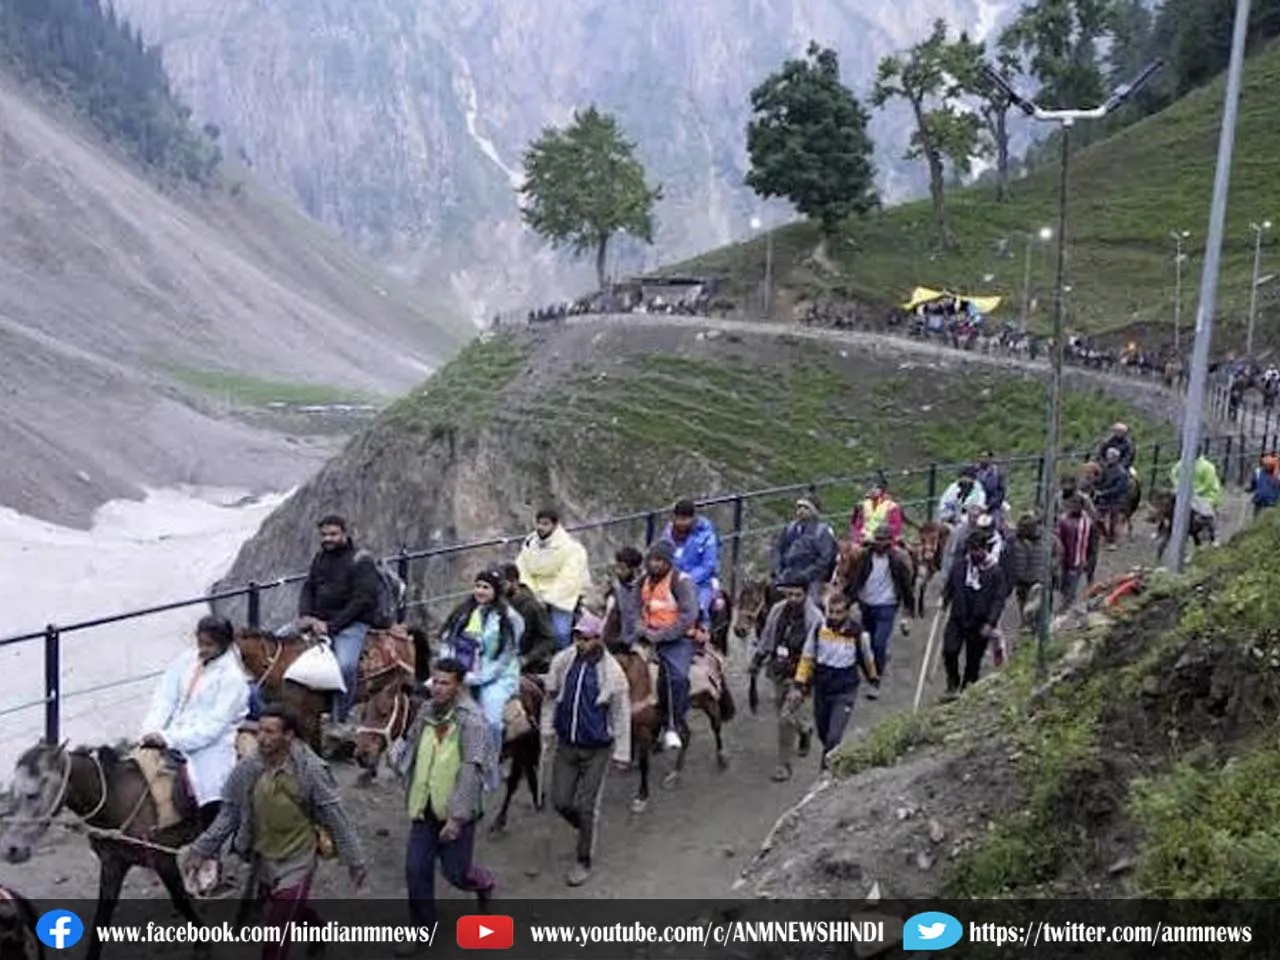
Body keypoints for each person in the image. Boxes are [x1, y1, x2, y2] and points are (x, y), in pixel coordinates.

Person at [184, 705, 366, 960]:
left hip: (298, 859)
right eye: (260, 731)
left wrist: (355, 860)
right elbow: (229, 815)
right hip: (264, 858)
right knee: (290, 909)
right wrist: (201, 849)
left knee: (275, 937)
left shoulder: (310, 770)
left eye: (270, 732)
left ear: (289, 736)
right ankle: (318, 931)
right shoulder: (248, 769)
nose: (262, 738)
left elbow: (334, 815)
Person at [394, 658, 495, 949]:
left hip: (456, 812)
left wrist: (457, 818)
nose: (437, 688)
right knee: (416, 869)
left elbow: (471, 770)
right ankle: (422, 930)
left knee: (456, 874)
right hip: (424, 806)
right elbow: (411, 746)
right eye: (435, 682)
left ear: (459, 687)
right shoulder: (426, 711)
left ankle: (483, 882)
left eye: (444, 683)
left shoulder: (472, 722)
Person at [540, 612, 631, 887]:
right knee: (560, 801)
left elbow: (620, 713)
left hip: (597, 749)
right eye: (577, 637)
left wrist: (622, 753)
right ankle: (585, 830)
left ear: (598, 639)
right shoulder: (563, 662)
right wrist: (547, 729)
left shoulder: (612, 673)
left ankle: (583, 859)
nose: (580, 643)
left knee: (588, 805)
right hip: (567, 744)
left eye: (586, 639)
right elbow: (551, 697)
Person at [141, 616, 249, 833]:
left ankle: (212, 845)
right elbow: (165, 697)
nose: (202, 649)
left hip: (211, 742)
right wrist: (152, 729)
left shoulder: (232, 679)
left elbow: (214, 726)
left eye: (209, 645)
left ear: (224, 644)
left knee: (210, 785)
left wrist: (171, 740)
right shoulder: (186, 661)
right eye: (200, 643)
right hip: (173, 730)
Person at [438, 569, 524, 791]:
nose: (480, 591)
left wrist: (479, 677)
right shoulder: (462, 613)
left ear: (495, 591)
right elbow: (448, 642)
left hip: (496, 675)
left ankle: (490, 767)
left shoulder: (511, 619)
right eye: (478, 586)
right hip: (461, 670)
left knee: (492, 718)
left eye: (486, 587)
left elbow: (506, 655)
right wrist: (449, 667)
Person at [294, 514, 381, 732]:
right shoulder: (320, 558)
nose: (328, 539)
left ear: (344, 533)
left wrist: (332, 626)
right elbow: (308, 587)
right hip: (318, 621)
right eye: (324, 535)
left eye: (333, 534)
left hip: (351, 624)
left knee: (345, 666)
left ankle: (340, 718)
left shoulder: (361, 561)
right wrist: (305, 614)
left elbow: (363, 600)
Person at [791, 591, 876, 769]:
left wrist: (873, 677)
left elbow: (867, 658)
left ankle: (827, 767)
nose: (834, 616)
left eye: (839, 612)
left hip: (845, 691)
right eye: (831, 612)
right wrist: (800, 683)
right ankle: (829, 753)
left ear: (846, 613)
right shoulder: (818, 630)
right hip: (822, 689)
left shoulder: (857, 634)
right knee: (823, 732)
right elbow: (807, 656)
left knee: (833, 736)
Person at [753, 578, 821, 782]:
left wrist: (804, 681)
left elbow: (816, 650)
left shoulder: (815, 617)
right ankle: (804, 728)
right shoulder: (777, 610)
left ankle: (784, 765)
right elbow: (767, 636)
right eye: (789, 594)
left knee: (784, 718)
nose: (792, 599)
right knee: (783, 712)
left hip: (800, 672)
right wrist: (757, 659)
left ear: (806, 594)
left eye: (797, 595)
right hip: (779, 668)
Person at [636, 541, 699, 751]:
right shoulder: (642, 581)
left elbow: (688, 615)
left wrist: (662, 635)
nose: (655, 564)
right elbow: (635, 607)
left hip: (677, 639)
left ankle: (673, 722)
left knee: (676, 677)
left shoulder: (681, 582)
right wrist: (640, 630)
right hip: (646, 636)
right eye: (652, 559)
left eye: (660, 561)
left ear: (668, 562)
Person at [844, 525, 916, 700]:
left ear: (889, 541)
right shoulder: (865, 557)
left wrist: (908, 611)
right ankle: (872, 667)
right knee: (865, 643)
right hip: (866, 604)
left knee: (878, 642)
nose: (879, 543)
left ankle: (875, 680)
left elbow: (906, 587)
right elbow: (856, 578)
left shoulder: (897, 561)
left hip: (887, 605)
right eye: (877, 539)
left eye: (883, 539)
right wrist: (848, 598)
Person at [940, 531, 1006, 699]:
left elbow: (998, 600)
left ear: (985, 549)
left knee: (973, 659)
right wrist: (944, 599)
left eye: (978, 550)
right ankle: (952, 682)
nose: (974, 554)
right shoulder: (960, 566)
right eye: (971, 550)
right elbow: (950, 586)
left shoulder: (995, 572)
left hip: (979, 622)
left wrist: (990, 623)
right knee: (949, 650)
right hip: (958, 616)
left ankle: (967, 688)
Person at [516, 507, 591, 649]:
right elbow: (523, 569)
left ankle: (565, 659)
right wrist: (532, 593)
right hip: (534, 594)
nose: (540, 528)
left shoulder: (571, 548)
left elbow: (569, 579)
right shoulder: (529, 543)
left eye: (545, 524)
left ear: (555, 525)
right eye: (539, 523)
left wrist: (547, 599)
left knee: (559, 633)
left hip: (560, 598)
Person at [770, 497, 838, 605]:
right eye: (799, 507)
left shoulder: (821, 531)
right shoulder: (789, 528)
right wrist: (778, 571)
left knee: (812, 602)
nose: (801, 510)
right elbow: (777, 549)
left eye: (806, 507)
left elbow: (825, 559)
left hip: (810, 577)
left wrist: (805, 575)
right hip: (788, 573)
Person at [662, 499, 720, 618]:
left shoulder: (706, 536)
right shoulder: (668, 534)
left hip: (700, 582)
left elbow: (709, 565)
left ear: (692, 518)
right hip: (670, 579)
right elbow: (662, 554)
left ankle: (703, 629)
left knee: (699, 607)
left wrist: (687, 579)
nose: (681, 523)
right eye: (678, 519)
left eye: (685, 519)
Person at [499, 563, 558, 674]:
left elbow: (549, 640)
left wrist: (527, 659)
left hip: (529, 666)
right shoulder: (499, 604)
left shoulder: (531, 607)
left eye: (503, 584)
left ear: (515, 582)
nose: (500, 588)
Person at [1169, 452, 1223, 546]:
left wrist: (1194, 492)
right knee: (1168, 502)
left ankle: (1214, 535)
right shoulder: (1182, 463)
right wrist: (1178, 485)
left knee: (1207, 512)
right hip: (1186, 493)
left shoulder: (1207, 466)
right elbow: (1173, 473)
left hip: (1206, 494)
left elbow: (1208, 484)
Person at [1056, 495, 1095, 609]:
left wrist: (1090, 561)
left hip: (1078, 561)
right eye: (1072, 504)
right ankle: (1065, 602)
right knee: (1063, 585)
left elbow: (1092, 544)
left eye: (1077, 505)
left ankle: (1067, 607)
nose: (1074, 507)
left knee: (1072, 587)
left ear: (1082, 507)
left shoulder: (1088, 523)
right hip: (1063, 560)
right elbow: (1059, 539)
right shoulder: (1063, 520)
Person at [604, 546, 644, 648]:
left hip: (635, 638)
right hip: (617, 635)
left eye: (622, 568)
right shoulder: (617, 585)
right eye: (617, 567)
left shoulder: (641, 588)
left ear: (634, 569)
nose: (618, 571)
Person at [1094, 448, 1130, 550]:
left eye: (1111, 457)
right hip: (1104, 498)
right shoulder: (1105, 469)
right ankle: (1106, 536)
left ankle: (1112, 541)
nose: (1109, 459)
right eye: (1108, 456)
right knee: (1097, 518)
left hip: (1116, 499)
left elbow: (1119, 489)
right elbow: (1101, 481)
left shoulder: (1121, 473)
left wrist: (1103, 493)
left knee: (1113, 521)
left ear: (1116, 458)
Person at [849, 476, 904, 545]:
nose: (873, 490)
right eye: (870, 488)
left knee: (900, 554)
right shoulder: (862, 506)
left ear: (882, 490)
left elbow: (896, 526)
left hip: (885, 540)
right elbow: (857, 526)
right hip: (864, 541)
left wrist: (883, 534)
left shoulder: (892, 506)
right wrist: (858, 537)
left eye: (876, 488)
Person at [1248, 452, 1280, 517]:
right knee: (1256, 522)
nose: (1267, 466)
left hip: (1272, 505)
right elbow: (1253, 484)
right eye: (1266, 465)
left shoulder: (1278, 474)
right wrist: (1249, 489)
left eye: (1269, 465)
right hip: (1258, 503)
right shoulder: (1258, 472)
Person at [976, 451, 1006, 515]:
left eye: (985, 457)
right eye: (980, 457)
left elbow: (1000, 492)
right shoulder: (975, 472)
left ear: (990, 458)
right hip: (977, 504)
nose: (982, 459)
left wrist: (990, 505)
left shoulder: (997, 472)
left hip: (993, 504)